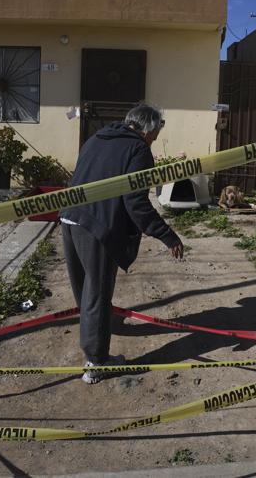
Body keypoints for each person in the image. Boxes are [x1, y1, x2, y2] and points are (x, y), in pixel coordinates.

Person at [59, 103, 184, 383]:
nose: (156, 138)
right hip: (96, 226)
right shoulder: (138, 150)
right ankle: (97, 362)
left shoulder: (96, 139)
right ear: (147, 129)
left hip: (69, 217)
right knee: (97, 294)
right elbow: (136, 202)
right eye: (157, 131)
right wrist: (167, 235)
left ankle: (95, 331)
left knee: (85, 290)